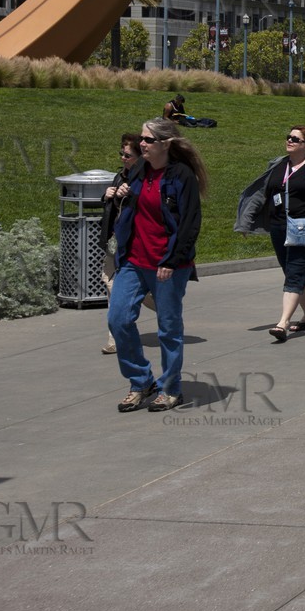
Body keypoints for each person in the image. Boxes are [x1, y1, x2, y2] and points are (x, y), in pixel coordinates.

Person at [107, 117, 207, 412]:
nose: (142, 144)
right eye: (141, 139)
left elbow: (190, 224)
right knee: (118, 319)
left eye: (148, 140)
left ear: (165, 144)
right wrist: (119, 193)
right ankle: (140, 381)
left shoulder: (181, 176)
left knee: (168, 328)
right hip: (133, 260)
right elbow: (127, 201)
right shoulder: (139, 169)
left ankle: (171, 389)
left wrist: (173, 261)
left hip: (168, 265)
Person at [234, 125, 305, 342]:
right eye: (288, 137)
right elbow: (261, 195)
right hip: (279, 228)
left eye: (295, 139)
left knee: (295, 272)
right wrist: (245, 221)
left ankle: (283, 323)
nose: (289, 141)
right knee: (292, 272)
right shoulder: (278, 165)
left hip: (304, 228)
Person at [101, 133, 145, 354]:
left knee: (139, 292)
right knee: (110, 283)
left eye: (127, 155)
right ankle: (114, 338)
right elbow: (115, 210)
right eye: (121, 153)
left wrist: (125, 195)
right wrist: (108, 195)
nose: (123, 158)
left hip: (135, 244)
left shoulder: (143, 179)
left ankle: (168, 313)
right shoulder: (120, 177)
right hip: (114, 241)